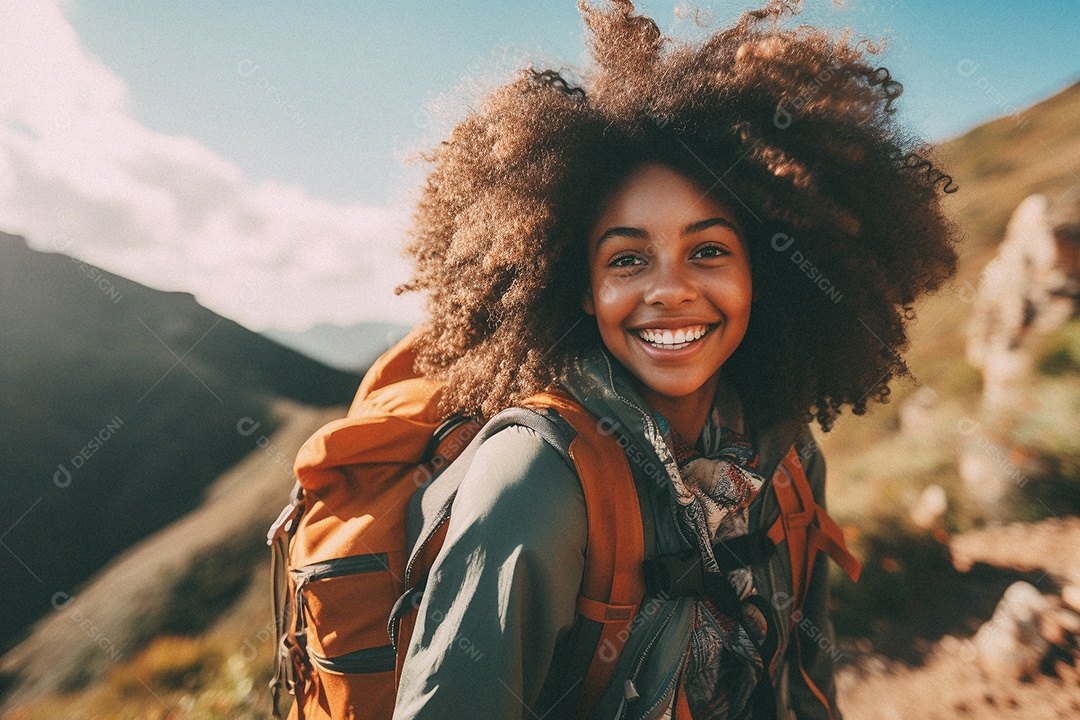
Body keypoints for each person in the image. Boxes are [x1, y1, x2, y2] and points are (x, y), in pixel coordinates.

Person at [390, 1, 958, 718]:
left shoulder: (787, 455)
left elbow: (807, 687)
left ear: (762, 272)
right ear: (581, 288)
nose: (670, 290)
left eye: (709, 250)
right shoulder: (537, 478)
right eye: (628, 259)